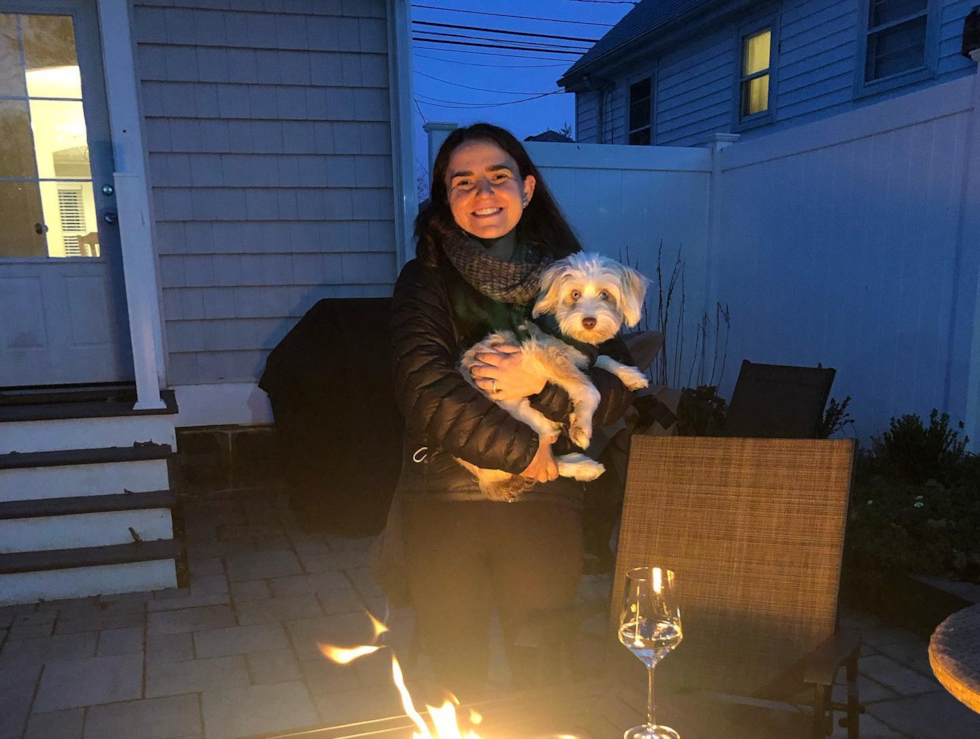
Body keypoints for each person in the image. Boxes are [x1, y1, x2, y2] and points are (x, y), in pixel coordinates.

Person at [389, 123, 635, 699]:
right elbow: (422, 388)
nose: (483, 194)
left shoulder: (574, 278)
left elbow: (620, 382)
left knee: (546, 675)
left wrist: (541, 385)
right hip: (445, 502)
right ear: (445, 197)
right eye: (463, 182)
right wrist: (526, 450)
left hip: (544, 506)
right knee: (456, 683)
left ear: (526, 188)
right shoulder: (424, 280)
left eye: (498, 178)